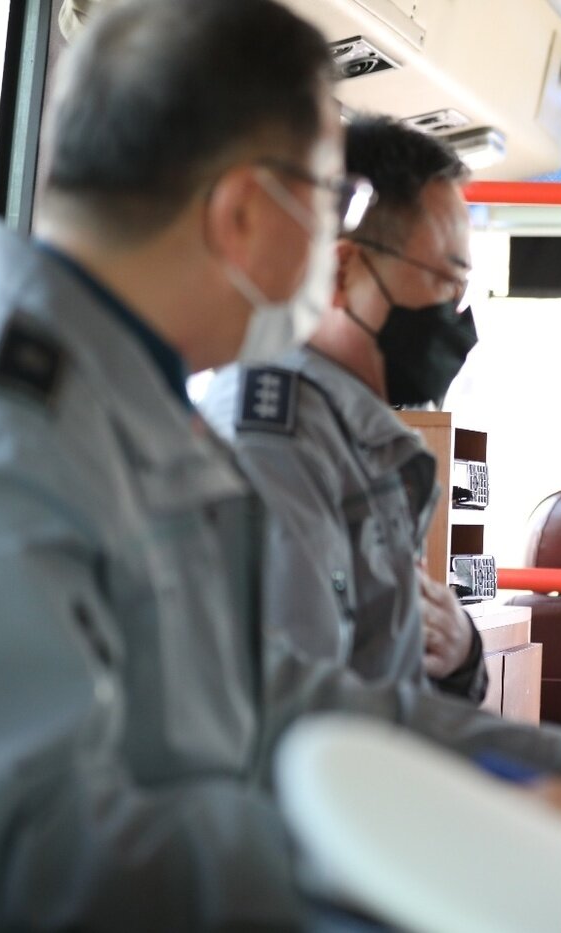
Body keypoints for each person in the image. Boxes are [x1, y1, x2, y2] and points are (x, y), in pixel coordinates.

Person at [0, 2, 561, 928]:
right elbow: (35, 857)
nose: (333, 250)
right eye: (328, 195)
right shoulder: (0, 436)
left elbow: (278, 692)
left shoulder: (132, 411)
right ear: (243, 211)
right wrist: (466, 834)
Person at [200, 116, 487, 701]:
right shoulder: (271, 440)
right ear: (344, 270)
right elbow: (309, 710)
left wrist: (464, 654)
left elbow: (394, 668)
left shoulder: (362, 439)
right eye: (445, 280)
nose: (456, 314)